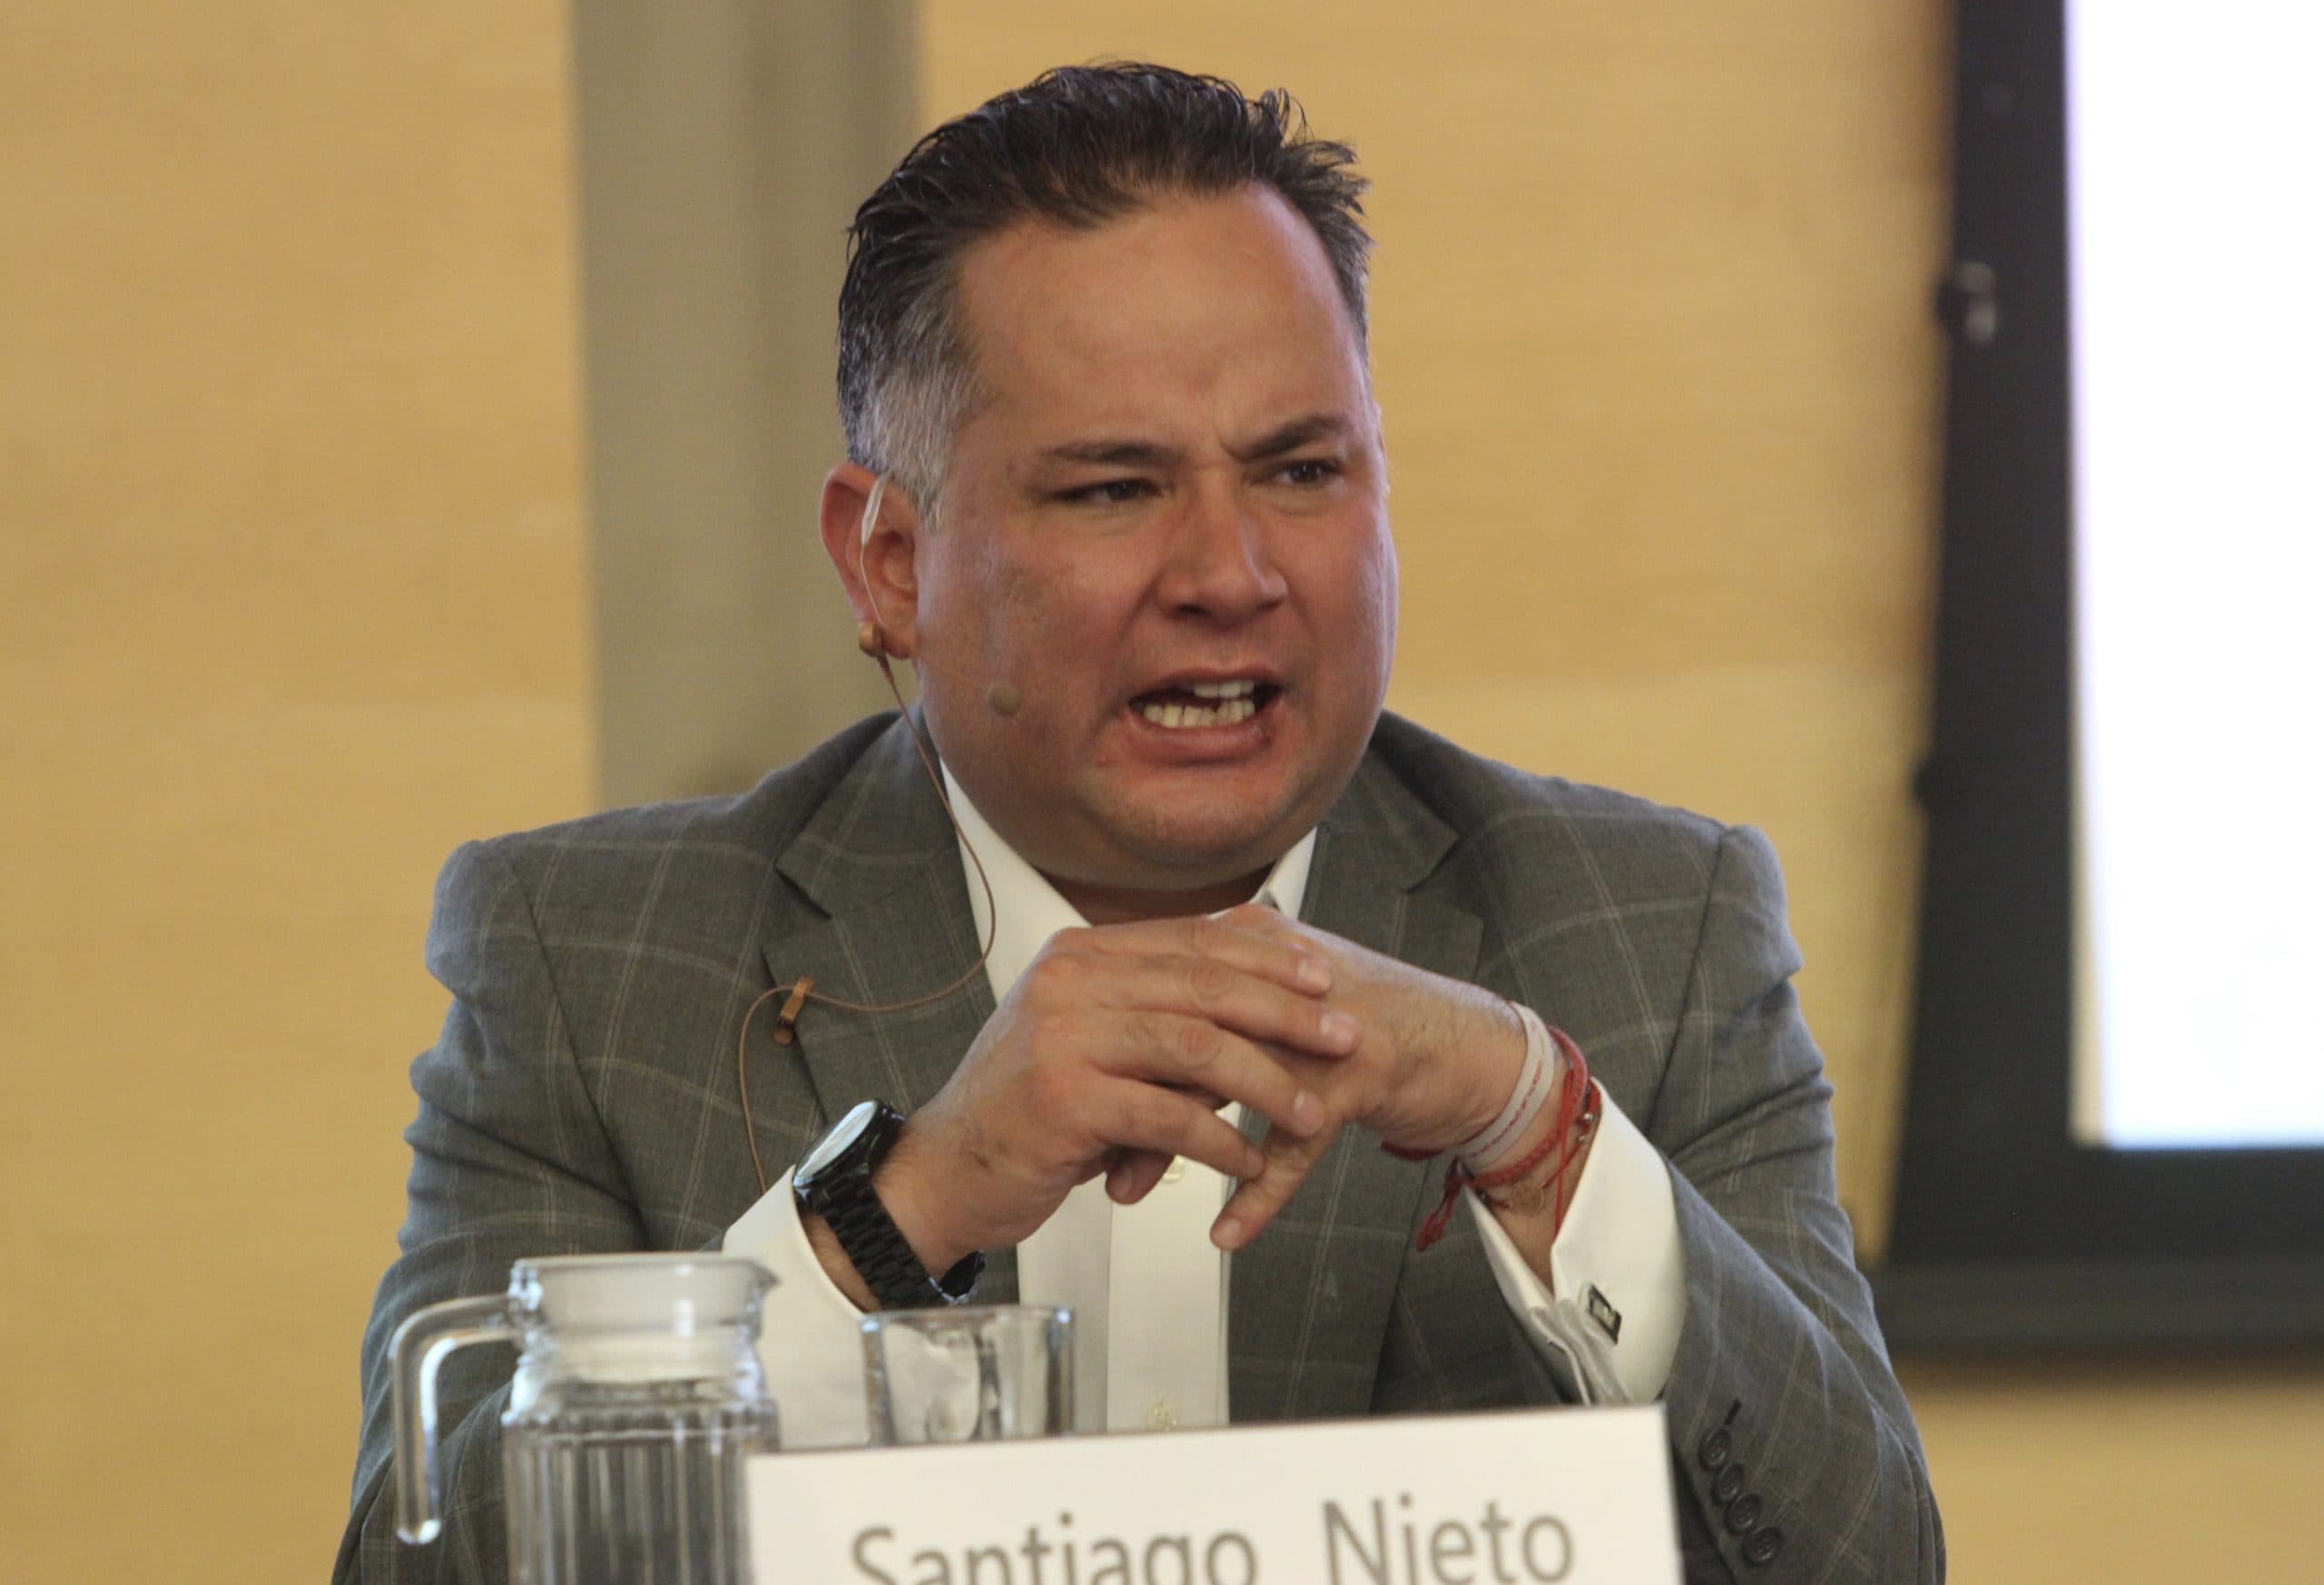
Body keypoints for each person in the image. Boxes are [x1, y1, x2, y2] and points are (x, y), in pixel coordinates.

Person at [340, 63, 1942, 1585]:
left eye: (1301, 469)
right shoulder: (597, 964)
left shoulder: (1645, 931)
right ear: (888, 558)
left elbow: (1867, 1561)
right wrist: (912, 1206)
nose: (1231, 572)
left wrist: (1535, 1124)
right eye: (1114, 488)